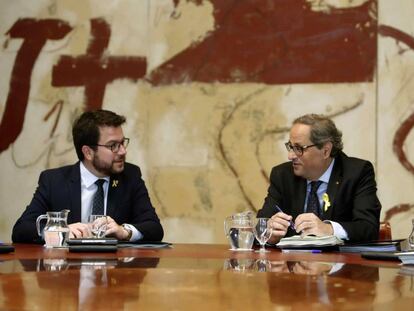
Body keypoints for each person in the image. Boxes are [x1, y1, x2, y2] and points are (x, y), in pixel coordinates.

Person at [12, 109, 163, 243]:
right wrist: (58, 231)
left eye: (123, 143)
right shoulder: (54, 181)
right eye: (113, 146)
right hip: (66, 271)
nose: (123, 151)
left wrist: (124, 231)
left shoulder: (130, 176)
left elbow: (154, 227)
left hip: (114, 272)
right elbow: (21, 229)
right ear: (88, 152)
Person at [257, 113, 381, 244]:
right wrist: (268, 231)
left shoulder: (357, 172)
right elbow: (260, 225)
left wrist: (328, 229)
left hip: (341, 262)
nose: (290, 155)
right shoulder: (282, 175)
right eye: (290, 147)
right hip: (293, 262)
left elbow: (368, 228)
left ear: (326, 150)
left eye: (299, 148)